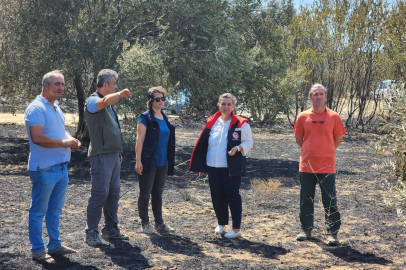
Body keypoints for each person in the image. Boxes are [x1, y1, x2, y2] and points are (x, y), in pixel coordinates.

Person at [24, 70, 81, 263]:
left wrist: (70, 139)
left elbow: (60, 131)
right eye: (57, 84)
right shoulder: (36, 108)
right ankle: (38, 250)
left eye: (63, 84)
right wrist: (65, 143)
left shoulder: (56, 107)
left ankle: (55, 245)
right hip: (44, 168)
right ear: (46, 86)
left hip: (61, 168)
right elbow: (37, 138)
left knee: (55, 210)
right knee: (38, 211)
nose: (61, 88)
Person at [189, 93, 253, 238]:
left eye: (229, 104)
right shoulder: (212, 121)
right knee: (217, 196)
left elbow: (249, 142)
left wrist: (237, 148)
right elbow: (204, 144)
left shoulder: (241, 123)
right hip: (213, 165)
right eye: (223, 104)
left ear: (233, 106)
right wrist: (201, 166)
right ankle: (221, 223)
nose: (226, 107)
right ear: (218, 104)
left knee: (232, 195)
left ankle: (236, 229)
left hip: (230, 167)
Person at [293, 83, 346, 246]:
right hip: (307, 166)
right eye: (315, 94)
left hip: (327, 166)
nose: (318, 97)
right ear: (310, 97)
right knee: (306, 199)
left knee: (329, 199)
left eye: (321, 94)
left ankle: (332, 233)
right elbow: (299, 139)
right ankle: (306, 229)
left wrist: (325, 151)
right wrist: (311, 151)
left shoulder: (334, 116)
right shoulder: (302, 116)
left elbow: (338, 139)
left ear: (325, 96)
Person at [84, 69, 132, 246]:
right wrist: (120, 94)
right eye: (114, 84)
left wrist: (118, 152)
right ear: (105, 84)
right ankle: (91, 232)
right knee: (100, 193)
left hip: (113, 155)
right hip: (100, 155)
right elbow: (101, 102)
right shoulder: (92, 101)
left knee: (113, 193)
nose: (116, 87)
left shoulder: (109, 105)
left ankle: (110, 229)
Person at [135, 86, 176, 233]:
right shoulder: (145, 117)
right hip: (148, 161)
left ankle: (160, 223)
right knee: (145, 194)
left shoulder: (165, 117)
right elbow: (139, 140)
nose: (161, 101)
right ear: (151, 101)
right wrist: (138, 161)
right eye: (157, 99)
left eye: (163, 99)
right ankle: (145, 223)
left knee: (158, 194)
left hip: (163, 162)